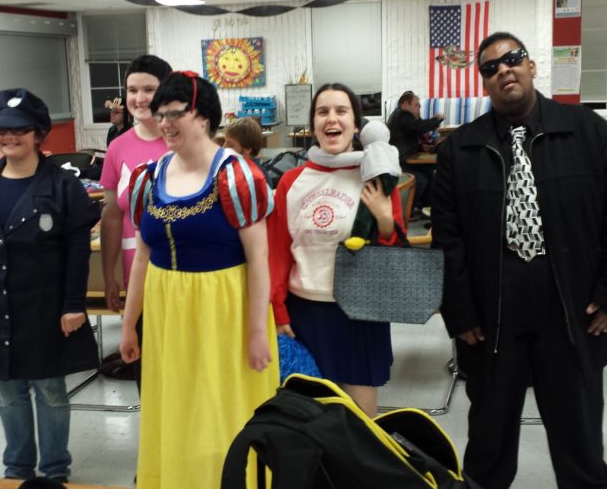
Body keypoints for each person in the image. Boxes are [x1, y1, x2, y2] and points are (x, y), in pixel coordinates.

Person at [431, 32, 607, 489]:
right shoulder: (459, 150)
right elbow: (447, 242)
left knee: (580, 437)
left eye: (512, 59)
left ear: (531, 66)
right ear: (484, 82)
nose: (503, 70)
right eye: (490, 67)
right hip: (492, 314)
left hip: (571, 308)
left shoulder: (587, 131)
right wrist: (460, 311)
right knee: (488, 438)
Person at [119, 71, 277, 488]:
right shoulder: (148, 178)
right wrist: (130, 324)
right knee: (175, 407)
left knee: (222, 411)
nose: (165, 123)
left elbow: (259, 258)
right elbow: (142, 258)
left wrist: (257, 330)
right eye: (160, 115)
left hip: (223, 311)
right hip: (167, 315)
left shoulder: (237, 176)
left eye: (175, 114)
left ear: (203, 117)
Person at [0, 88, 101, 483]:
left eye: (19, 129)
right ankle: (17, 468)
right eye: (2, 129)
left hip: (46, 306)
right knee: (8, 392)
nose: (9, 137)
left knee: (50, 390)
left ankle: (53, 470)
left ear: (38, 134)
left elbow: (78, 251)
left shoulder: (63, 187)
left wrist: (73, 304)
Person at [267, 83, 405, 417]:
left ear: (356, 124)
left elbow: (397, 256)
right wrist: (278, 310)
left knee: (361, 422)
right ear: (313, 125)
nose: (332, 118)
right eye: (323, 112)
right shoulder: (291, 181)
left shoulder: (375, 177)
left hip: (360, 314)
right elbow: (278, 253)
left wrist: (384, 218)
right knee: (309, 420)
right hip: (305, 314)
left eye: (341, 111)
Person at [99, 54, 172, 311]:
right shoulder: (117, 147)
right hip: (136, 277)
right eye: (132, 90)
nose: (139, 98)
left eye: (149, 90)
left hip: (183, 274)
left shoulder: (183, 142)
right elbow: (111, 217)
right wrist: (109, 275)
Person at [387, 90, 443, 216]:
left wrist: (423, 147)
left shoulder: (401, 117)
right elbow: (419, 126)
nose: (419, 108)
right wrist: (436, 119)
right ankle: (404, 212)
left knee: (428, 171)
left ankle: (427, 207)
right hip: (399, 164)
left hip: (403, 161)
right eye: (416, 105)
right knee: (420, 179)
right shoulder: (402, 115)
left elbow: (413, 133)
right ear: (405, 104)